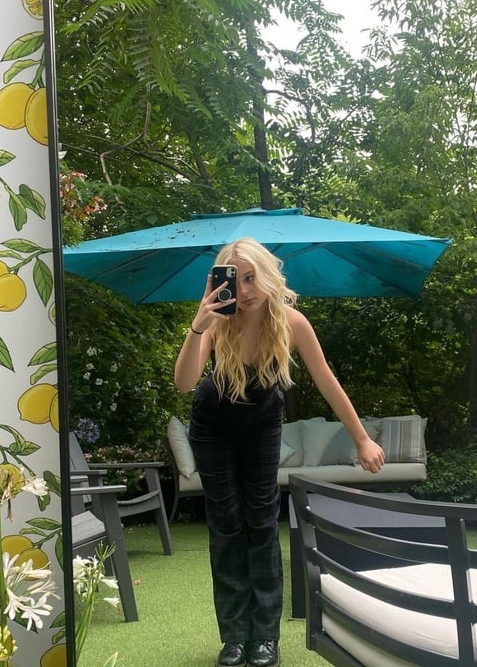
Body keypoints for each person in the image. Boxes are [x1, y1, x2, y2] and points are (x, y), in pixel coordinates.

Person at [174, 237, 385, 667]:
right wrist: (198, 324)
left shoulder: (291, 322)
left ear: (268, 276)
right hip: (213, 427)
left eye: (252, 278)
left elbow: (326, 380)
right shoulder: (216, 323)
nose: (245, 290)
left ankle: (265, 638)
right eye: (236, 280)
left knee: (262, 522)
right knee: (227, 526)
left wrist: (362, 438)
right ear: (221, 283)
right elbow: (184, 383)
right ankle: (235, 637)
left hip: (261, 424)